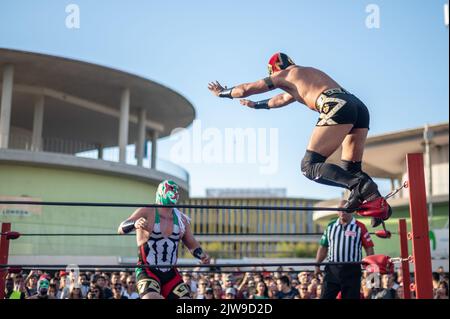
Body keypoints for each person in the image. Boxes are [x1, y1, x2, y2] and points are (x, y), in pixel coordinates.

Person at [208, 52, 391, 227]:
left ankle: (361, 186)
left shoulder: (284, 74)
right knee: (351, 169)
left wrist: (222, 93)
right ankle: (379, 207)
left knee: (309, 167)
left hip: (336, 104)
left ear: (274, 70)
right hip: (356, 105)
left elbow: (245, 89)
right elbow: (279, 100)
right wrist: (255, 106)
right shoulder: (303, 76)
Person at [117, 180, 210, 299]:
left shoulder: (181, 219)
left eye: (175, 191)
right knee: (150, 298)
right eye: (170, 190)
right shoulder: (147, 211)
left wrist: (202, 256)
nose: (174, 193)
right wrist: (135, 223)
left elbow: (192, 245)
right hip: (148, 270)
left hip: (171, 272)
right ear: (161, 192)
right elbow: (120, 228)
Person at [315, 200, 375, 299]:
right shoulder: (331, 226)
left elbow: (369, 247)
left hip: (352, 270)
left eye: (345, 209)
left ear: (351, 210)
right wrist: (317, 264)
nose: (342, 212)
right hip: (332, 269)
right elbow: (323, 246)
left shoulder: (360, 226)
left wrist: (370, 268)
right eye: (340, 209)